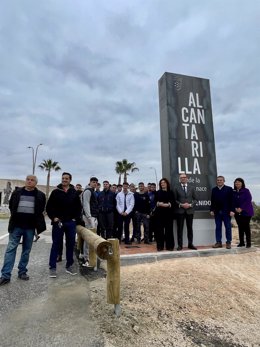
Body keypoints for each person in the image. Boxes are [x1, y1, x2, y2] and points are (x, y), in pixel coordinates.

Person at [0, 175, 46, 286]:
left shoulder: (40, 195)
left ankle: (22, 272)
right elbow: (11, 206)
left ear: (36, 183)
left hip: (30, 228)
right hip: (16, 226)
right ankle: (5, 275)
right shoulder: (17, 192)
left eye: (32, 180)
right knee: (11, 249)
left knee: (26, 251)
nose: (29, 181)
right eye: (28, 179)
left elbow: (40, 210)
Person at [46, 172, 82, 277]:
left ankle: (69, 265)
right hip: (58, 223)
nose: (64, 180)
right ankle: (52, 267)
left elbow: (78, 208)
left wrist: (75, 218)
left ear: (70, 180)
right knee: (56, 244)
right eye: (63, 178)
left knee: (70, 244)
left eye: (66, 178)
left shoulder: (74, 192)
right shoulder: (55, 192)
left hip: (70, 222)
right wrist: (54, 217)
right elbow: (49, 207)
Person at [174, 174, 198, 250]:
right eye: (181, 178)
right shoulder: (176, 188)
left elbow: (196, 199)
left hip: (189, 211)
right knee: (180, 229)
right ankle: (180, 245)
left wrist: (190, 205)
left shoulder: (192, 188)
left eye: (184, 177)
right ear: (179, 179)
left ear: (187, 179)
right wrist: (181, 204)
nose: (183, 179)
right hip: (180, 211)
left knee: (190, 228)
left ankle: (190, 244)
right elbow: (174, 200)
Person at [210, 176, 235, 249]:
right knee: (218, 227)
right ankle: (218, 242)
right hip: (217, 212)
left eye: (221, 180)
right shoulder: (214, 190)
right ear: (216, 181)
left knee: (228, 227)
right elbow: (212, 201)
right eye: (218, 180)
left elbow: (232, 201)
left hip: (227, 212)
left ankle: (228, 242)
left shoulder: (229, 189)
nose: (219, 181)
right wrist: (211, 210)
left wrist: (232, 210)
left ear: (224, 181)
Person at [154, 178, 175, 251]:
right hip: (159, 214)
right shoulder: (157, 192)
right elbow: (155, 201)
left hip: (169, 214)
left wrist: (168, 204)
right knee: (159, 231)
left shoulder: (171, 192)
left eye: (164, 182)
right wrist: (158, 203)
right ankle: (160, 246)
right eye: (161, 183)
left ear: (167, 184)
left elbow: (173, 202)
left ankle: (170, 246)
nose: (162, 184)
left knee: (169, 230)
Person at [233, 178, 254, 248]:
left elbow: (248, 200)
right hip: (237, 212)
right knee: (240, 227)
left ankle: (248, 243)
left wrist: (241, 208)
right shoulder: (234, 192)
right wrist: (235, 208)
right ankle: (241, 242)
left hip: (246, 212)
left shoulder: (246, 191)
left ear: (242, 183)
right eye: (236, 182)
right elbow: (233, 201)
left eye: (239, 182)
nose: (237, 184)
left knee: (246, 227)